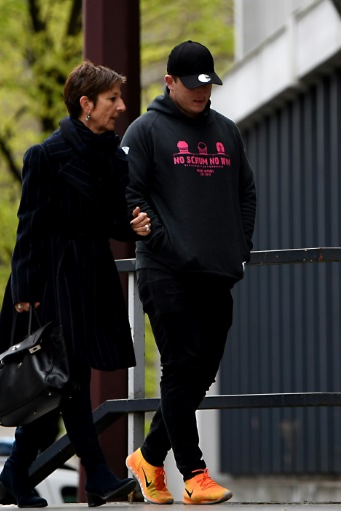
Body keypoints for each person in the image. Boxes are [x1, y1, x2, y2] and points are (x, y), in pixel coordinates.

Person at [0, 60, 150, 508]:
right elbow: (30, 227)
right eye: (112, 99)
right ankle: (97, 475)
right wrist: (24, 291)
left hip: (92, 275)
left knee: (62, 380)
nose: (121, 106)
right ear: (86, 105)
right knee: (70, 376)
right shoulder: (45, 155)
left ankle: (14, 475)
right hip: (52, 278)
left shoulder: (114, 156)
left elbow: (112, 220)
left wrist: (132, 225)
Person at [122, 40, 257, 505]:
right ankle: (194, 475)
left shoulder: (226, 131)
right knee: (180, 367)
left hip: (217, 270)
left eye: (208, 86)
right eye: (194, 86)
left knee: (202, 372)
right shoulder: (145, 131)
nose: (203, 94)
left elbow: (246, 192)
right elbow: (129, 195)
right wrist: (165, 242)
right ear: (169, 82)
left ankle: (147, 456)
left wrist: (240, 244)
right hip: (166, 270)